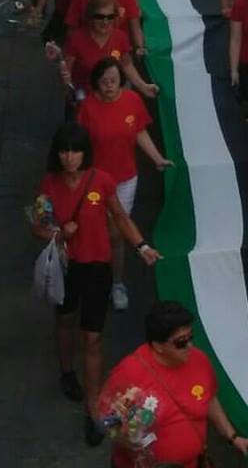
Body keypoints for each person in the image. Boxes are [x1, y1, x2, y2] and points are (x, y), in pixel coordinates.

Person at [30, 122, 160, 446]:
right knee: (64, 320)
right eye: (64, 151)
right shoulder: (49, 184)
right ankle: (66, 371)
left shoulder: (100, 181)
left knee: (92, 338)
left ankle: (93, 409)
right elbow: (39, 226)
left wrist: (141, 246)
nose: (70, 157)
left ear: (84, 152)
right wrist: (60, 233)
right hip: (65, 267)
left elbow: (120, 217)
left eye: (75, 151)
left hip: (97, 268)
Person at [99, 301, 248, 467]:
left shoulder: (200, 361)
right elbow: (106, 417)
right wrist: (123, 437)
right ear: (158, 346)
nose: (190, 345)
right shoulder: (130, 370)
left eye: (190, 337)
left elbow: (208, 398)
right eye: (181, 342)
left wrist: (232, 437)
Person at [77, 58, 172, 312]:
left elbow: (140, 132)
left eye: (114, 81)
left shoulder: (132, 102)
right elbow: (79, 146)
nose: (109, 87)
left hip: (125, 179)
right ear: (96, 83)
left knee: (116, 232)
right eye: (104, 82)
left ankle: (116, 282)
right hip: (94, 181)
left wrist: (157, 159)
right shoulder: (87, 108)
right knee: (90, 228)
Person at [62, 0, 157, 98]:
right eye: (99, 17)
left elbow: (126, 65)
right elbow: (66, 71)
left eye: (110, 17)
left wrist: (143, 86)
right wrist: (69, 89)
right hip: (83, 98)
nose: (105, 22)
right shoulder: (76, 39)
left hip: (111, 98)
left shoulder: (121, 38)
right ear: (90, 16)